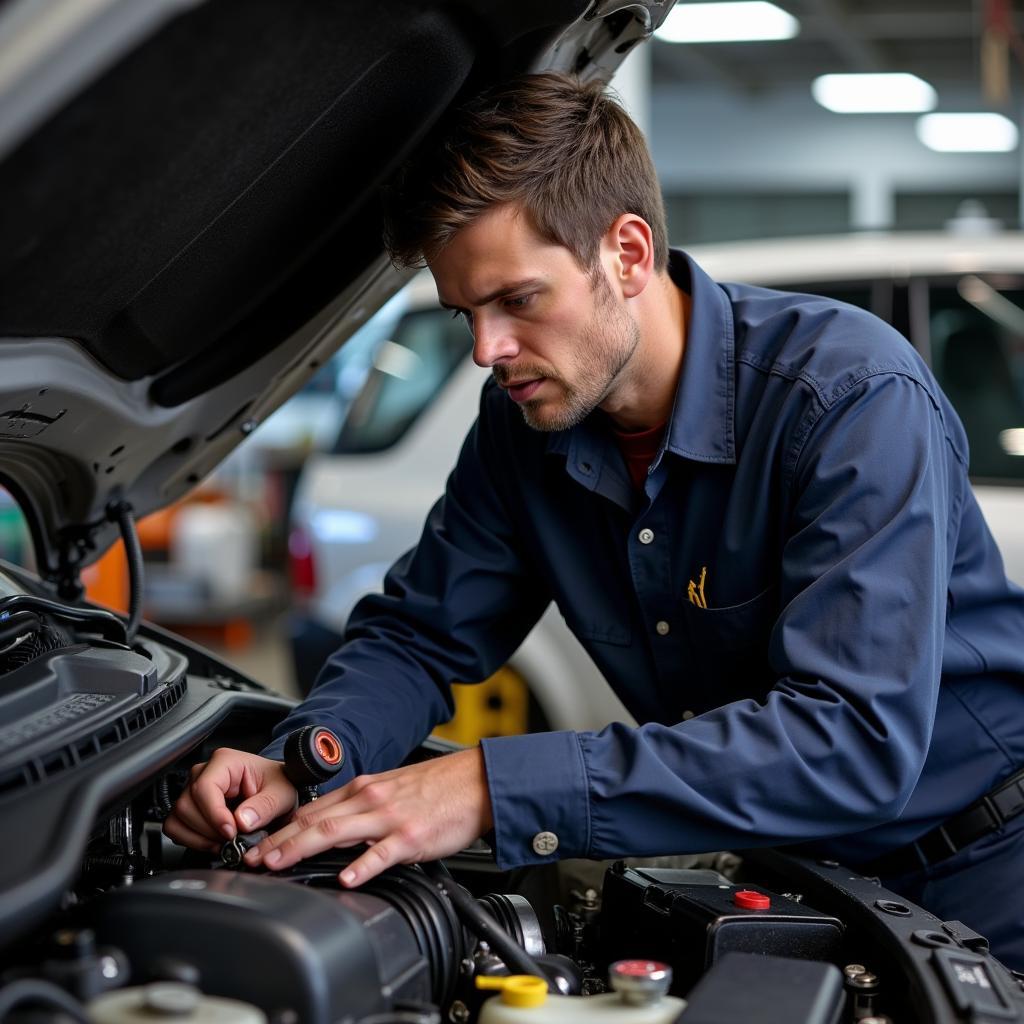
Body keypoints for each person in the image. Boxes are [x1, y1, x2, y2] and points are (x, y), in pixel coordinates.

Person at [165, 73, 1024, 967]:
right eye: (467, 314)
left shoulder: (849, 399)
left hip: (981, 873)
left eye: (518, 301)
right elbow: (421, 634)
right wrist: (306, 757)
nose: (486, 352)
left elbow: (852, 741)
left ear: (626, 251)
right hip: (794, 880)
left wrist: (492, 787)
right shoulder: (524, 428)